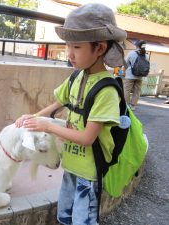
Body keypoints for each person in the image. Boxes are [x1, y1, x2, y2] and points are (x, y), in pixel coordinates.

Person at [15, 3, 127, 225]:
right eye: (67, 46)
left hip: (89, 172)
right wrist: (32, 117)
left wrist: (47, 126)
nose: (69, 54)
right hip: (71, 166)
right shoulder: (76, 77)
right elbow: (57, 104)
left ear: (100, 48)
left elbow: (87, 138)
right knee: (64, 216)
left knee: (82, 221)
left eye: (76, 47)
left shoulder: (106, 90)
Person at [124, 40, 149, 110]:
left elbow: (125, 63)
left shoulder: (131, 53)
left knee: (126, 90)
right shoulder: (146, 55)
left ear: (137, 46)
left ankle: (126, 104)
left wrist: (127, 69)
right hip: (140, 76)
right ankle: (133, 105)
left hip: (130, 75)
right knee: (137, 91)